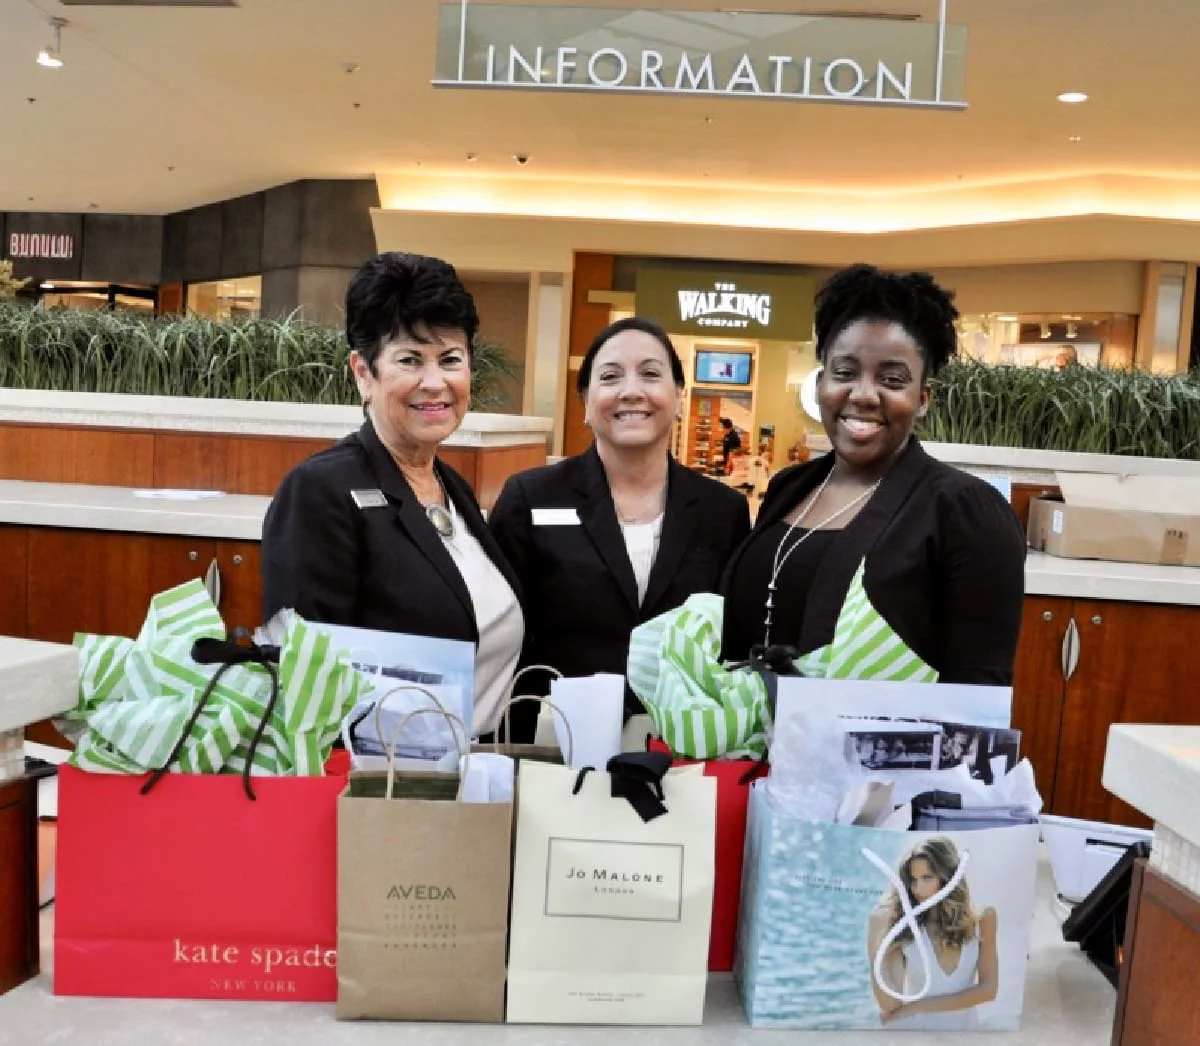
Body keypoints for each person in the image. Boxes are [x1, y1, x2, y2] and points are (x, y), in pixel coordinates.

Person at [720, 264, 1025, 683]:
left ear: (922, 399)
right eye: (844, 373)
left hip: (878, 748)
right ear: (821, 383)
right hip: (751, 744)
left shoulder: (963, 509)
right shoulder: (789, 486)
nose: (863, 395)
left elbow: (979, 690)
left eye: (892, 379)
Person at [260, 252, 524, 738]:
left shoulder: (455, 488)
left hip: (475, 776)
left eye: (450, 360)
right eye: (409, 360)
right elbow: (304, 687)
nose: (434, 382)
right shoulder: (322, 492)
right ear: (363, 372)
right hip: (382, 788)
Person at [489, 316, 751, 742]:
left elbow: (734, 641)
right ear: (586, 401)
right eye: (611, 376)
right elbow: (499, 633)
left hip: (679, 749)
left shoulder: (723, 511)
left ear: (678, 396)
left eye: (651, 374)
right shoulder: (531, 498)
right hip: (552, 742)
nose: (632, 390)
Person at [867, 837, 998, 1029]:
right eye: (913, 880)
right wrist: (874, 946)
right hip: (914, 1034)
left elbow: (988, 990)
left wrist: (918, 1007)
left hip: (965, 1034)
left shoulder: (983, 918)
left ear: (948, 876)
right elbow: (890, 1004)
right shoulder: (904, 926)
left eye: (927, 878)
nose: (918, 889)